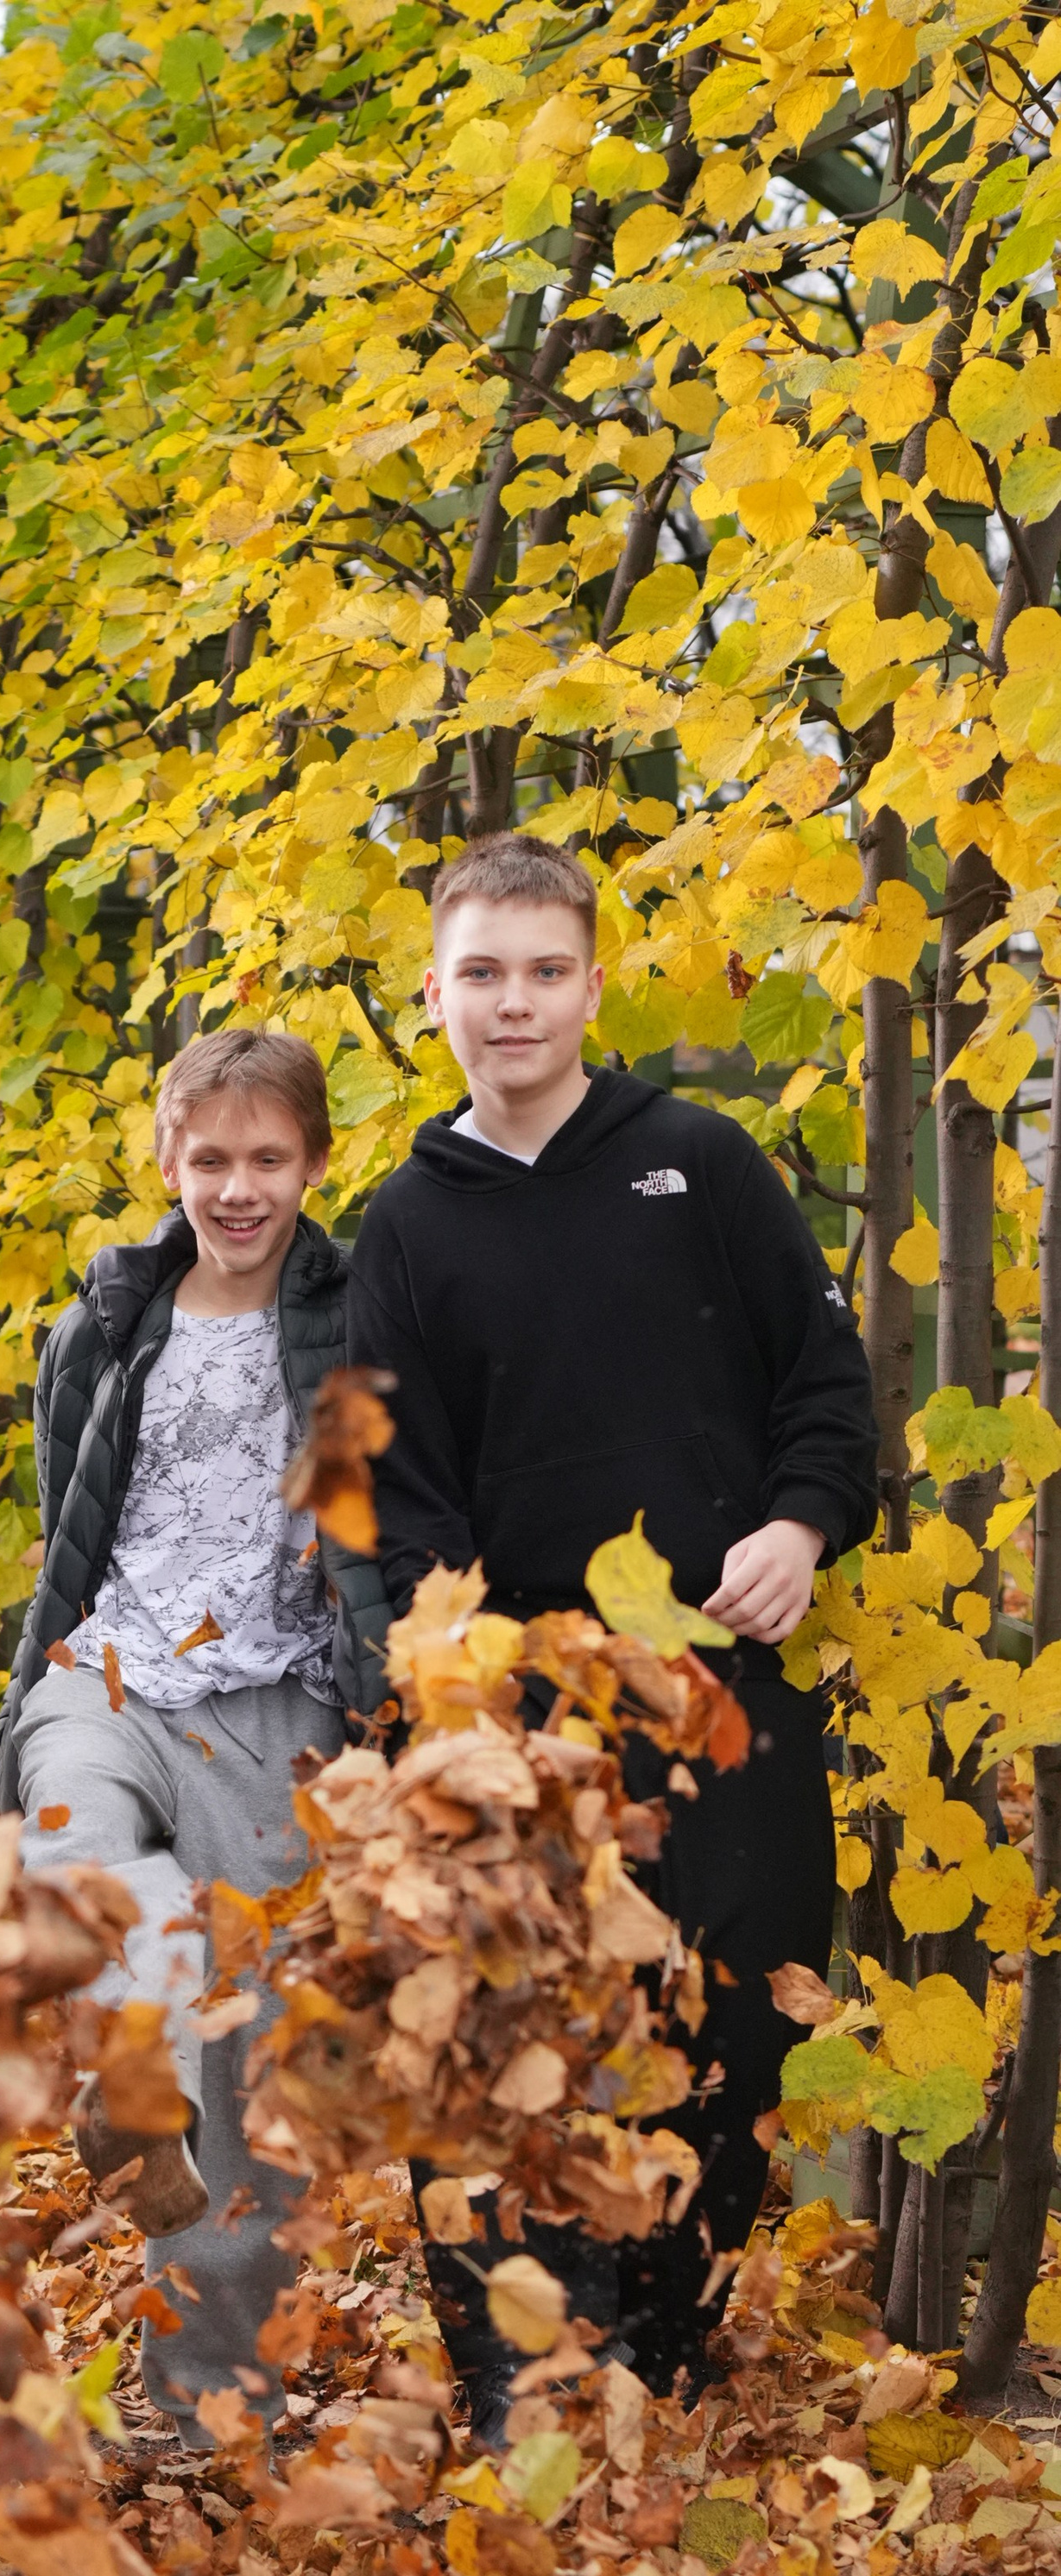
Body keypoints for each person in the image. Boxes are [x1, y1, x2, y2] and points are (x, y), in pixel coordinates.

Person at [348, 830, 879, 2428]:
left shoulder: (698, 1164)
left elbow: (827, 1390)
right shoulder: (404, 1224)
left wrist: (797, 1527)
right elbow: (392, 1491)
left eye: (545, 971)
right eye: (483, 974)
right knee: (500, 2043)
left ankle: (660, 2365)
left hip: (718, 1678)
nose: (513, 1003)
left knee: (732, 2023)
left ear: (592, 987)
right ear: (435, 992)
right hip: (511, 1708)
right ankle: (520, 2387)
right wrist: (470, 1693)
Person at [0, 1025, 389, 2441]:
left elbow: (383, 1523)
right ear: (166, 1161)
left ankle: (216, 2392)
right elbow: (75, 1517)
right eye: (209, 1159)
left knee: (248, 2056)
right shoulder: (103, 1327)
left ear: (314, 1164)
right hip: (108, 1671)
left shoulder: (355, 1324)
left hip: (275, 1699)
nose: (237, 1188)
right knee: (83, 1848)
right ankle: (128, 2052)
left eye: (267, 1160)